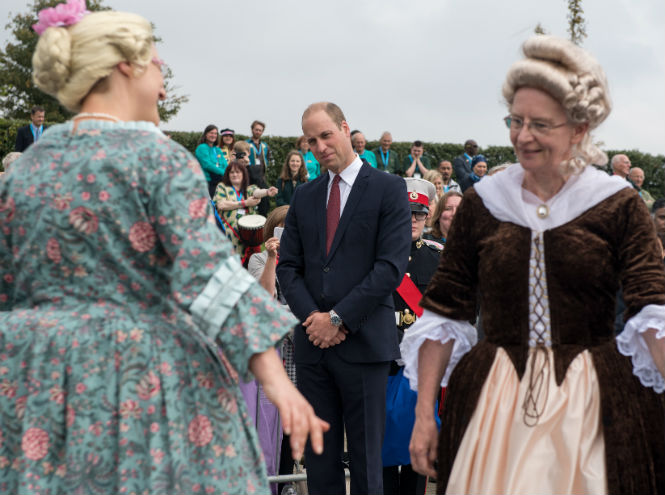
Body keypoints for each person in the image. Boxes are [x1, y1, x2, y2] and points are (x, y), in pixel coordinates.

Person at [1, 2, 327, 494]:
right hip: (137, 376)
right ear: (125, 68)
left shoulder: (26, 167)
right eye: (156, 62)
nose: (163, 75)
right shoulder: (158, 159)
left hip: (38, 382)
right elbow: (210, 279)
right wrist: (278, 382)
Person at [403, 35, 665, 494]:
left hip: (593, 398)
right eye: (515, 120)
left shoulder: (617, 205)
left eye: (540, 124)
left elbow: (652, 310)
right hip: (494, 401)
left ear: (579, 128)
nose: (523, 136)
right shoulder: (484, 204)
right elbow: (445, 311)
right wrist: (425, 415)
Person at [277, 102, 412, 495]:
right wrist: (315, 321)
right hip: (314, 349)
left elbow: (389, 268)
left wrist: (336, 319)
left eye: (326, 135)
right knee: (320, 464)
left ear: (345, 128)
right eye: (311, 140)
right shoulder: (304, 196)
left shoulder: (388, 188)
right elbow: (288, 268)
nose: (319, 146)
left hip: (365, 345)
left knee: (369, 465)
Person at [382, 178, 441, 495]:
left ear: (427, 216)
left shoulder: (438, 257)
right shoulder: (376, 254)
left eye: (418, 214)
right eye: (407, 214)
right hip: (384, 363)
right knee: (384, 452)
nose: (413, 221)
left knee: (418, 449)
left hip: (420, 368)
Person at [213, 160, 277, 254]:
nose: (235, 174)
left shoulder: (249, 188)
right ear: (228, 174)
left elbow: (257, 192)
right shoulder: (222, 187)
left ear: (243, 174)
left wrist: (267, 192)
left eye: (238, 172)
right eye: (232, 172)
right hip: (229, 233)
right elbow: (221, 205)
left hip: (249, 234)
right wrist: (245, 203)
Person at [194, 124, 227, 197]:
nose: (213, 135)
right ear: (206, 134)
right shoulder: (202, 148)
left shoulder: (217, 149)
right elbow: (207, 165)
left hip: (219, 181)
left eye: (215, 133)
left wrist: (226, 172)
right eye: (211, 133)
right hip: (207, 182)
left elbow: (224, 164)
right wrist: (224, 173)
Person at [246, 120, 271, 216]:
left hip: (261, 177)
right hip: (249, 177)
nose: (258, 132)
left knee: (264, 203)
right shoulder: (246, 143)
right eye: (256, 129)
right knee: (251, 201)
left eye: (260, 130)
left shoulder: (264, 145)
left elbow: (268, 157)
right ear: (252, 130)